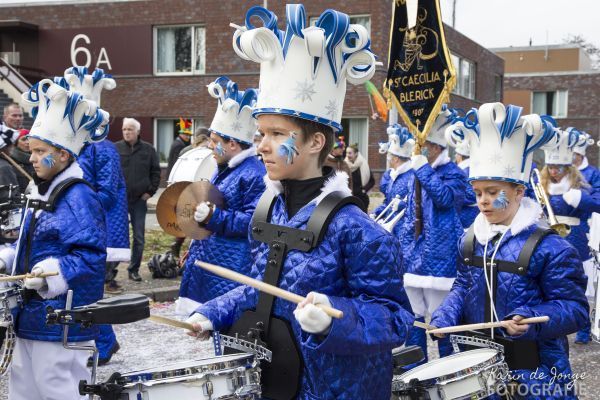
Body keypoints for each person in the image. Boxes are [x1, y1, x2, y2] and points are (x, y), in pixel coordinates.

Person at [186, 5, 415, 399]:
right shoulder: (268, 210)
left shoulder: (358, 229)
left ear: (315, 142)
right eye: (260, 133)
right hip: (277, 382)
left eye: (277, 134)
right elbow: (262, 289)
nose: (262, 145)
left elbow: (396, 319)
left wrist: (332, 320)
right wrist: (213, 312)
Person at [432, 102, 588, 399]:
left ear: (519, 192)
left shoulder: (551, 247)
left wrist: (530, 318)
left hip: (536, 369)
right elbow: (463, 286)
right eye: (478, 192)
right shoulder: (470, 239)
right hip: (479, 367)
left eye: (493, 192)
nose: (483, 201)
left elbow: (576, 310)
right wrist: (445, 314)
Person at [0, 79, 108, 400]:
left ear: (62, 154)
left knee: (58, 388)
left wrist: (51, 274)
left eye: (40, 152)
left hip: (61, 321)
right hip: (30, 317)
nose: (32, 158)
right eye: (31, 151)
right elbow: (28, 245)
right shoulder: (39, 193)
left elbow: (90, 258)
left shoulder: (79, 197)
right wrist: (7, 258)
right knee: (23, 389)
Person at [176, 76, 266, 315]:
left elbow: (254, 223)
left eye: (214, 141)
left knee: (223, 325)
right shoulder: (223, 168)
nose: (209, 146)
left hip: (232, 267)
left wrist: (213, 216)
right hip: (213, 262)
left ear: (232, 144)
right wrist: (195, 244)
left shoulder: (255, 174)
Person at [62, 66, 130, 366]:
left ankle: (104, 342)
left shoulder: (104, 150)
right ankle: (102, 340)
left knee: (88, 290)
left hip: (96, 229)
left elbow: (108, 194)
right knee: (78, 289)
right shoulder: (74, 147)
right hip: (78, 227)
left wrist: (74, 206)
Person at [400, 106, 467, 363]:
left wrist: (423, 170)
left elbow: (445, 199)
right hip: (413, 253)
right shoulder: (417, 171)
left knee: (442, 319)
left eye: (424, 145)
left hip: (440, 255)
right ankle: (416, 368)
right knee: (414, 317)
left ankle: (449, 368)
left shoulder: (454, 173)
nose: (418, 149)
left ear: (437, 147)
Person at [542, 126, 600, 345]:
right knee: (549, 281)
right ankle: (553, 324)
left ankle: (583, 326)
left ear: (568, 168)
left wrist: (578, 198)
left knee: (576, 282)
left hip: (575, 235)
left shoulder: (581, 185)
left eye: (558, 167)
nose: (553, 172)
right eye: (550, 167)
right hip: (549, 235)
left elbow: (597, 203)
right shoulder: (543, 184)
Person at [116, 117, 161, 281]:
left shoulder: (148, 149)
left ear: (137, 131)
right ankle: (110, 273)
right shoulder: (116, 148)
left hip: (139, 200)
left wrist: (150, 192)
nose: (126, 132)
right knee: (118, 236)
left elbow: (156, 172)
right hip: (120, 201)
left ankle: (133, 269)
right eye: (124, 129)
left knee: (139, 238)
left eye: (130, 129)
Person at [371, 124, 414, 236]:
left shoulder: (413, 177)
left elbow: (418, 206)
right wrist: (376, 213)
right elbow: (388, 202)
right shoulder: (392, 176)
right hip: (393, 232)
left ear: (395, 159)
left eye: (389, 155)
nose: (387, 157)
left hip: (405, 232)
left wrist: (402, 205)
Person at [449, 115, 479, 228]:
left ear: (459, 156)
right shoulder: (473, 169)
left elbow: (471, 196)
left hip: (465, 220)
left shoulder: (462, 173)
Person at [345, 143, 374, 210]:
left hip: (361, 199)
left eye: (350, 153)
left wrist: (364, 190)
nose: (347, 155)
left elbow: (372, 181)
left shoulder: (363, 164)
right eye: (346, 153)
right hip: (348, 198)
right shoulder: (344, 165)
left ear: (356, 154)